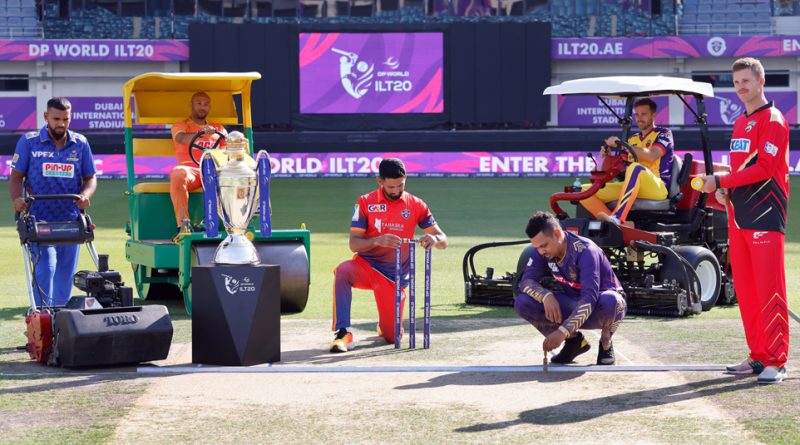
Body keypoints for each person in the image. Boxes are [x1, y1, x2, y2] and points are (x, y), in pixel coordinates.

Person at [697, 57, 790, 384]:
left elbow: (765, 168)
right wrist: (726, 191)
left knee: (770, 290)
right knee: (748, 292)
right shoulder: (740, 122)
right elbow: (741, 171)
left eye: (746, 81)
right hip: (739, 217)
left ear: (761, 82)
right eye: (736, 83)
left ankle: (776, 361)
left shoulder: (774, 120)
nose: (741, 88)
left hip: (765, 216)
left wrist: (721, 182)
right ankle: (757, 356)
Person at [330, 158, 448, 352]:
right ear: (380, 181)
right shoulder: (365, 202)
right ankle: (343, 333)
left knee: (392, 337)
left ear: (406, 179)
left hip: (395, 276)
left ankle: (385, 325)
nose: (396, 191)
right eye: (391, 186)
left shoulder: (416, 204)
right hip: (366, 267)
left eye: (400, 185)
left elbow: (443, 240)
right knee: (343, 270)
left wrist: (435, 240)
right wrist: (377, 240)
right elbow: (354, 244)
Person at [9, 97, 97, 306]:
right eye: (56, 118)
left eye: (66, 119)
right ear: (46, 117)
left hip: (71, 218)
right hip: (39, 218)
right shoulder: (29, 141)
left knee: (65, 271)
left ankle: (61, 315)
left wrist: (86, 195)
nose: (61, 124)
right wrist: (17, 199)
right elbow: (16, 177)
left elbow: (90, 178)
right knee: (47, 266)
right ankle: (41, 314)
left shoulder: (81, 143)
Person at [514, 211, 626, 365]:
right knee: (523, 302)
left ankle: (606, 343)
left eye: (544, 245)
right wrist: (545, 296)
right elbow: (525, 282)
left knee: (612, 301)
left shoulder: (586, 251)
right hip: (573, 303)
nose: (541, 251)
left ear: (557, 233)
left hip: (600, 308)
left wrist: (562, 331)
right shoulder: (542, 252)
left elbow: (589, 298)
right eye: (537, 247)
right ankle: (574, 342)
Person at [579, 98, 674, 225]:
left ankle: (618, 217)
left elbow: (652, 155)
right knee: (585, 190)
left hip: (657, 187)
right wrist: (607, 157)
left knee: (636, 167)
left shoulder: (663, 133)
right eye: (637, 114)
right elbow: (620, 168)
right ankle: (612, 223)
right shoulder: (632, 139)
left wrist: (623, 146)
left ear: (653, 115)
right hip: (632, 186)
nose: (639, 118)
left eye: (644, 114)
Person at [170, 91, 227, 241]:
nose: (202, 107)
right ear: (191, 105)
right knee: (178, 173)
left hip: (213, 169)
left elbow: (227, 150)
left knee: (235, 175)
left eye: (206, 104)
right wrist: (202, 133)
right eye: (199, 103)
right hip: (191, 169)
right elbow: (181, 138)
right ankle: (183, 225)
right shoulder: (181, 125)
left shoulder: (218, 129)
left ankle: (224, 224)